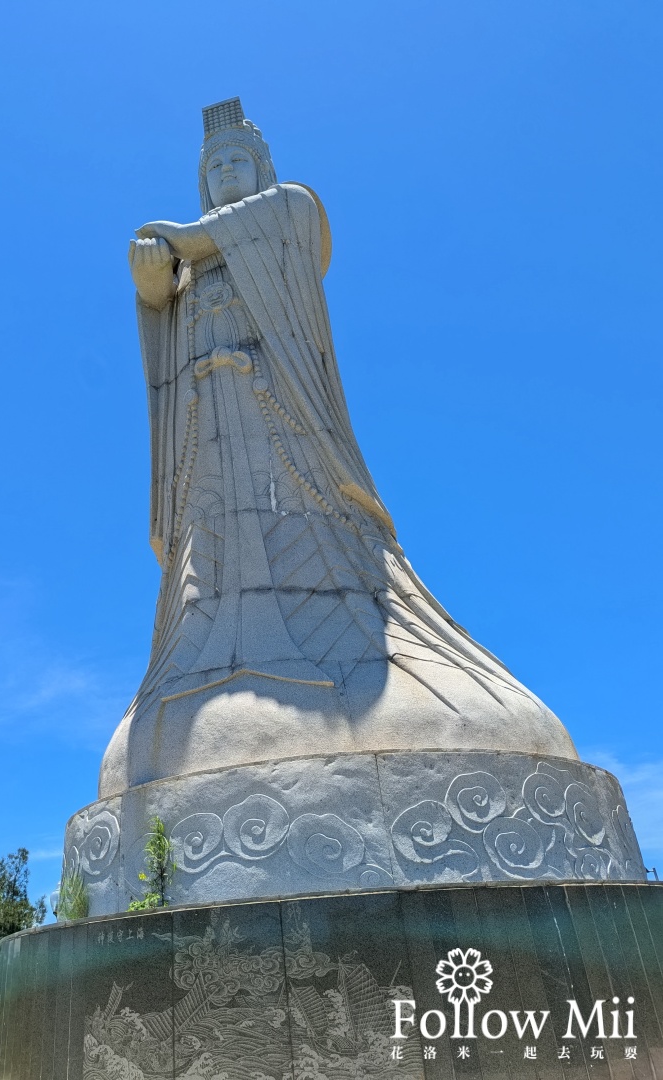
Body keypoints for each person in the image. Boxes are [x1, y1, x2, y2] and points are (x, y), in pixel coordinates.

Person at [99, 99, 576, 798]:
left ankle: (353, 645)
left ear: (262, 169)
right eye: (215, 167)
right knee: (210, 542)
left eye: (239, 161)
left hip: (282, 418)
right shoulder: (195, 261)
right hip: (207, 423)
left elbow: (250, 227)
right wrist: (152, 282)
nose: (228, 173)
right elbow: (164, 295)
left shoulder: (286, 210)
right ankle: (208, 657)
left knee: (310, 525)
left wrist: (173, 236)